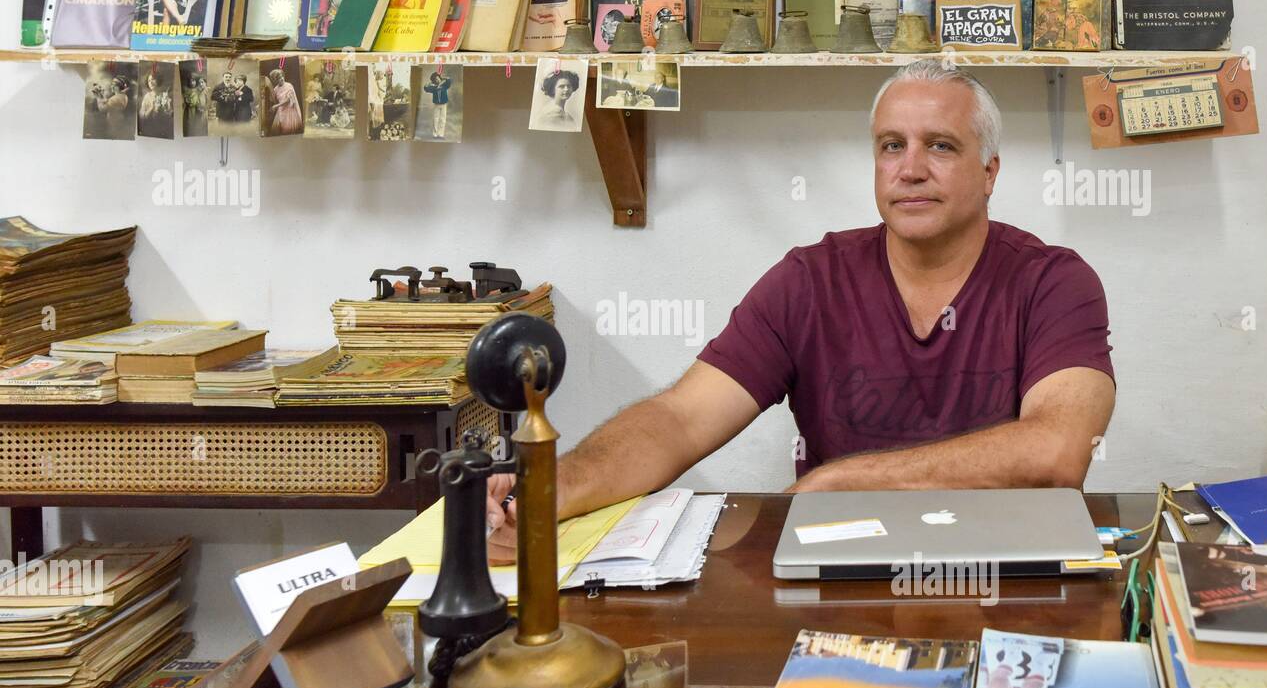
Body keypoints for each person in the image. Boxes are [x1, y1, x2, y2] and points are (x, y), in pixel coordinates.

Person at [486, 59, 1116, 560]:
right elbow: (680, 419)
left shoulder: (1054, 282)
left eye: (942, 146)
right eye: (891, 146)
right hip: (838, 564)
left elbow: (1058, 451)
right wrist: (556, 485)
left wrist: (837, 482)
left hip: (1007, 569)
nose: (911, 169)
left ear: (990, 172)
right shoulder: (810, 280)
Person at [265, 68, 302, 135]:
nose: (282, 78)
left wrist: (276, 106)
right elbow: (273, 99)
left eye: (282, 76)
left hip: (289, 111)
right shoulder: (275, 89)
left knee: (287, 130)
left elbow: (288, 100)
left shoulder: (289, 86)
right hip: (281, 111)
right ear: (275, 80)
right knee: (276, 130)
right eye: (279, 78)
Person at [423, 70, 452, 138]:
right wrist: (429, 83)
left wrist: (444, 78)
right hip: (436, 105)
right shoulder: (434, 87)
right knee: (436, 119)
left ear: (439, 77)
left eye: (438, 78)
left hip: (444, 105)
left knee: (443, 119)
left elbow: (449, 81)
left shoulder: (445, 85)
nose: (437, 80)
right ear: (434, 81)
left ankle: (441, 134)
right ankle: (435, 134)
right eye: (435, 79)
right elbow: (426, 89)